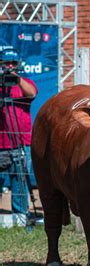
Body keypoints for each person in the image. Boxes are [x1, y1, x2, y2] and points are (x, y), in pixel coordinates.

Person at [0, 48, 39, 226]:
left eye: (13, 63)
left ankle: (21, 216)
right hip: (1, 143)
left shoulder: (24, 83)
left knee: (20, 180)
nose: (9, 67)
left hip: (19, 142)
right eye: (6, 63)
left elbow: (32, 93)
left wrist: (17, 79)